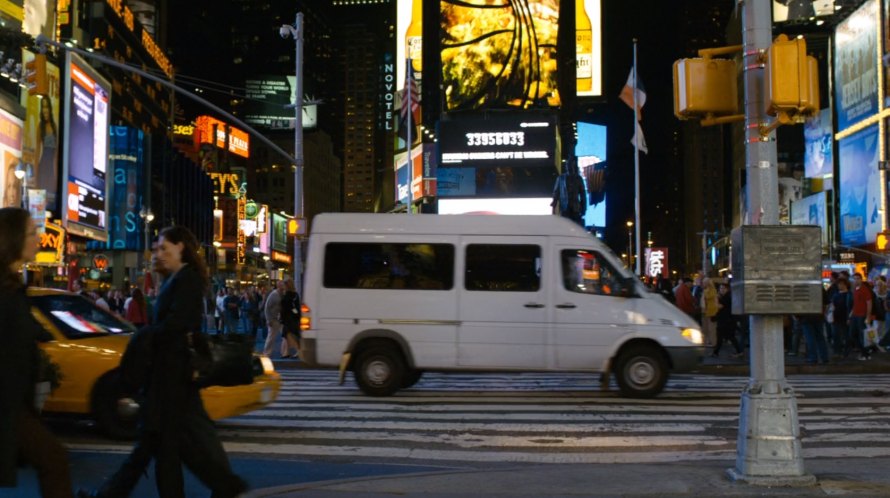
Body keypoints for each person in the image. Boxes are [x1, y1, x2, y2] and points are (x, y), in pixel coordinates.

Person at [83, 226, 247, 498]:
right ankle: (225, 485)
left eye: (164, 249)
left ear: (180, 247)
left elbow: (179, 324)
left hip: (172, 379)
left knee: (159, 449)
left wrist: (145, 336)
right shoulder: (177, 280)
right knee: (160, 450)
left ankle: (226, 486)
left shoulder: (187, 280)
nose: (158, 254)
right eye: (157, 249)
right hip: (168, 378)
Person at [0, 207, 74, 498]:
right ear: (13, 238)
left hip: (13, 404)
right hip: (7, 404)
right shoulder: (6, 288)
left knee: (53, 461)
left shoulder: (13, 285)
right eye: (32, 232)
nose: (38, 238)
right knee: (53, 461)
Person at [712, 282, 743, 358]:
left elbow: (719, 306)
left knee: (729, 336)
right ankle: (716, 352)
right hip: (725, 320)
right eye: (720, 288)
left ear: (727, 289)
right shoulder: (725, 296)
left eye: (723, 288)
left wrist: (716, 299)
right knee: (722, 336)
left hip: (727, 320)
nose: (721, 290)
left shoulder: (727, 297)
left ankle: (739, 351)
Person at [263, 279, 285, 357]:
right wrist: (268, 319)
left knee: (285, 336)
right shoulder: (274, 294)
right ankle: (266, 353)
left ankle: (284, 352)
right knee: (271, 337)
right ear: (278, 286)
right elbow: (267, 307)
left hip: (281, 319)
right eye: (281, 284)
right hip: (273, 319)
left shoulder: (283, 293)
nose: (283, 286)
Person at [280, 278, 301, 358]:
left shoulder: (287, 295)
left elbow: (286, 308)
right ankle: (286, 352)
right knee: (287, 335)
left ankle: (297, 350)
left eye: (284, 285)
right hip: (293, 318)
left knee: (288, 335)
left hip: (288, 319)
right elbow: (295, 307)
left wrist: (282, 318)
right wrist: (296, 313)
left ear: (287, 286)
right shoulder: (295, 295)